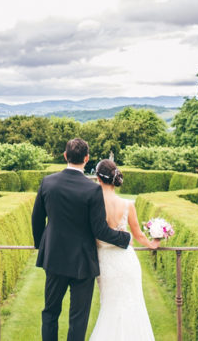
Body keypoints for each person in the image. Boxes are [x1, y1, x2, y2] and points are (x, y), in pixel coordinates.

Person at [32, 138, 132, 341]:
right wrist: (124, 237)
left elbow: (36, 218)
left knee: (50, 313)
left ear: (65, 156)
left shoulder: (48, 182)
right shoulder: (92, 189)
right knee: (78, 319)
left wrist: (41, 245)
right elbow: (100, 230)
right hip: (83, 263)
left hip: (54, 258)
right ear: (86, 158)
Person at [88, 159, 159, 341]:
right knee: (133, 306)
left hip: (105, 262)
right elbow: (138, 235)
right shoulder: (127, 204)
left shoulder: (91, 203)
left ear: (98, 178)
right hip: (127, 261)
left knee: (110, 307)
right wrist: (153, 243)